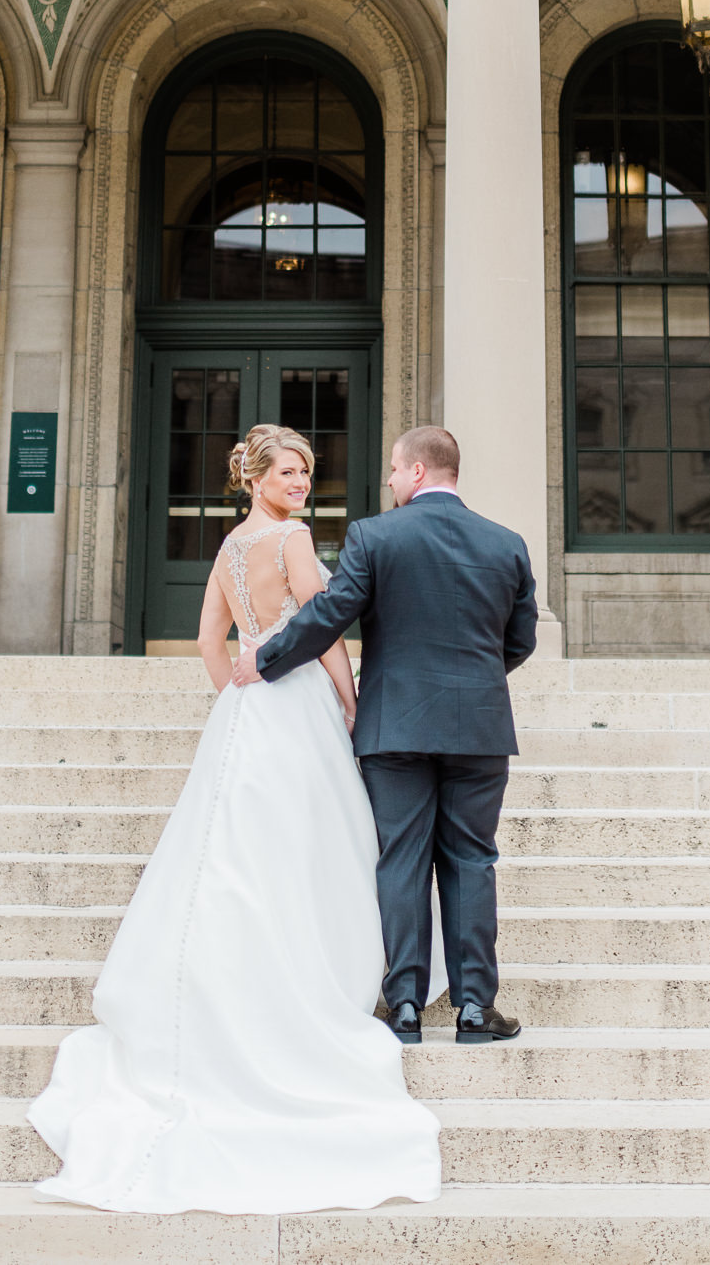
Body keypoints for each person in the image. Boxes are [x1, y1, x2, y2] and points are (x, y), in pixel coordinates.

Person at [27, 423, 441, 1215]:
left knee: (244, 840)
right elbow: (322, 636)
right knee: (314, 838)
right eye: (288, 472)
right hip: (300, 705)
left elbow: (209, 642)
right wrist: (351, 704)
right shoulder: (291, 540)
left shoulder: (225, 551)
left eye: (307, 472)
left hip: (249, 711)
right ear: (257, 479)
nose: (300, 484)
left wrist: (235, 698)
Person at [233, 425, 539, 1047]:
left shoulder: (374, 535)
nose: (392, 482)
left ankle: (402, 1006)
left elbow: (326, 616)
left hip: (393, 724)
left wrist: (265, 659)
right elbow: (521, 639)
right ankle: (476, 1010)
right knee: (472, 860)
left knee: (400, 858)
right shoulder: (507, 544)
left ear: (419, 472)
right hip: (478, 727)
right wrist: (474, 681)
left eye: (396, 472)